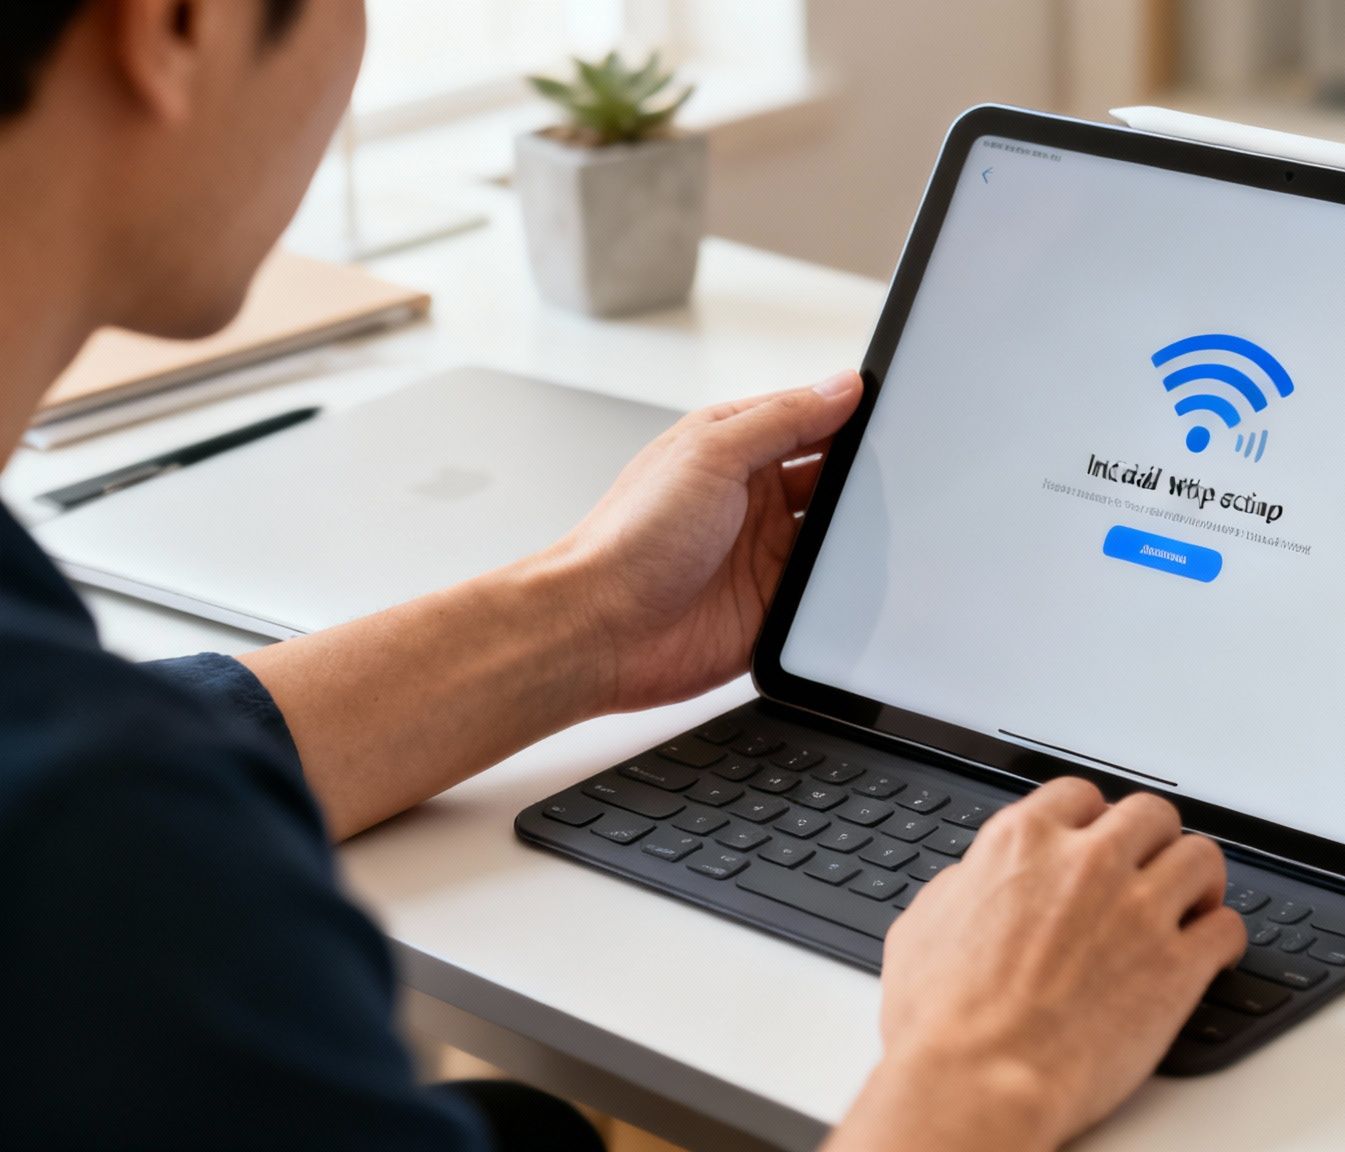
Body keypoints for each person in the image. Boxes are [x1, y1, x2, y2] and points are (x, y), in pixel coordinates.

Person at [0, 3, 1250, 1150]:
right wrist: (991, 1068)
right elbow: (85, 806)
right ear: (175, 27)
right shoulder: (106, 858)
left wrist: (586, 616)